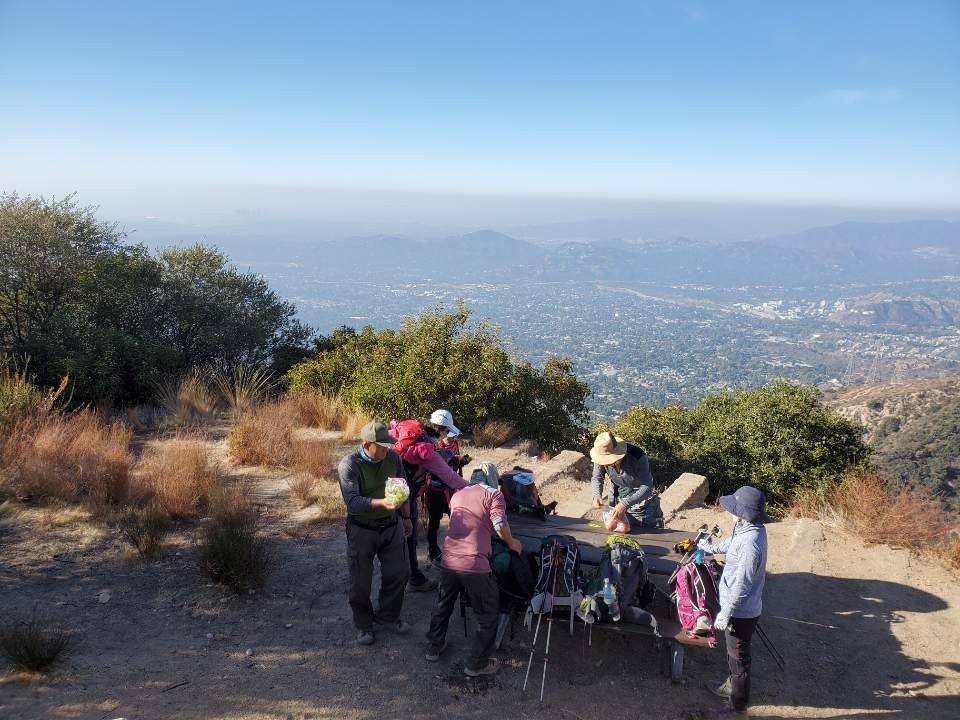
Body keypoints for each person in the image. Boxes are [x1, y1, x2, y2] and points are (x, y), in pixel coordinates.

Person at [424, 462, 523, 677]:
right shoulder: (494, 496)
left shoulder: (459, 494)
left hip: (449, 559)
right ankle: (477, 664)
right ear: (493, 480)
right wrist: (512, 542)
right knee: (488, 612)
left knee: (443, 604)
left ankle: (433, 646)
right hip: (474, 564)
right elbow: (499, 525)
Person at [337, 420, 413, 646]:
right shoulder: (349, 464)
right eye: (381, 446)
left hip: (392, 525)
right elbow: (352, 502)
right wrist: (382, 503)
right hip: (362, 529)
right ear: (366, 443)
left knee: (399, 573)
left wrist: (407, 518)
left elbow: (403, 488)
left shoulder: (393, 458)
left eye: (387, 445)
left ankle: (388, 616)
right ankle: (363, 624)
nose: (385, 450)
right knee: (360, 581)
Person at [698, 485, 770, 716]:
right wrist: (710, 547)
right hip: (739, 608)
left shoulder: (751, 545)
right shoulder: (746, 528)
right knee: (735, 655)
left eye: (734, 508)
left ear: (743, 513)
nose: (730, 511)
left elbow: (743, 585)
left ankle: (737, 706)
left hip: (741, 612)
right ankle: (731, 687)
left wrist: (726, 612)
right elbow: (731, 544)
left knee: (739, 659)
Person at [416, 410, 469, 567]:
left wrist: (459, 461)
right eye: (448, 433)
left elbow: (451, 465)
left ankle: (455, 552)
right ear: (441, 429)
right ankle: (433, 552)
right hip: (435, 489)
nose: (450, 437)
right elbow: (437, 468)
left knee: (456, 519)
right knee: (434, 521)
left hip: (451, 489)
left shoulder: (450, 444)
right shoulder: (432, 445)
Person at [589, 431, 664, 532]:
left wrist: (625, 504)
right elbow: (597, 477)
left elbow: (647, 487)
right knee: (621, 533)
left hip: (643, 498)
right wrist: (597, 495)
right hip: (619, 494)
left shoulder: (638, 456)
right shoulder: (600, 455)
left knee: (650, 533)